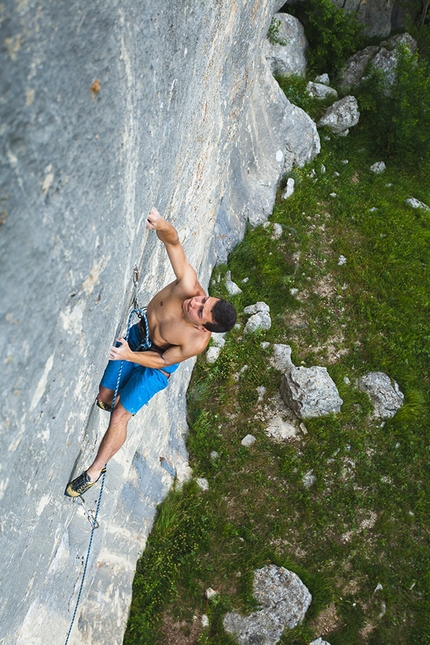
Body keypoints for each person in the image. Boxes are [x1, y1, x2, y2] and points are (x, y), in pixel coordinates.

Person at [65, 207, 236, 497]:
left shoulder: (196, 342)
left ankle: (95, 471)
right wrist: (161, 223)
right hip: (139, 336)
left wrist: (129, 355)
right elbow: (173, 242)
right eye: (203, 299)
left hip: (157, 367)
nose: (194, 302)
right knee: (104, 398)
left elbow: (163, 360)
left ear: (205, 328)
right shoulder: (188, 286)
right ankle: (114, 401)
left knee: (119, 415)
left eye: (200, 311)